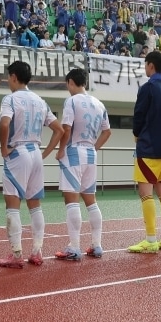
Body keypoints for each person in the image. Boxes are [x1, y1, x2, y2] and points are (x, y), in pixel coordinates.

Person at [0, 62, 64, 268]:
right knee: (35, 205)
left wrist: (3, 149)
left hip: (18, 153)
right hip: (35, 153)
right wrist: (45, 153)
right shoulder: (40, 101)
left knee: (12, 204)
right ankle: (37, 252)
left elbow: (4, 123)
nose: (9, 81)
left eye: (9, 77)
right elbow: (59, 130)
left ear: (14, 77)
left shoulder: (10, 99)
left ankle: (16, 254)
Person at [54, 69, 112, 260]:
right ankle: (97, 245)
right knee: (91, 201)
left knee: (71, 200)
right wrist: (94, 148)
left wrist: (61, 149)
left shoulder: (71, 101)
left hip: (74, 152)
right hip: (90, 154)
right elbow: (107, 132)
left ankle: (74, 247)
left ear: (71, 82)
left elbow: (67, 128)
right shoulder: (99, 103)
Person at [127, 51, 161, 253]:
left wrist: (137, 134)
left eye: (145, 64)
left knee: (145, 193)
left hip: (148, 146)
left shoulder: (147, 88)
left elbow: (138, 116)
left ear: (150, 65)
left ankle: (150, 240)